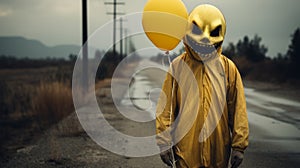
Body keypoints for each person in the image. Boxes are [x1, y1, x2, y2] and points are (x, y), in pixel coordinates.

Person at [156, 4, 249, 168]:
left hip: (218, 150)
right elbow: (166, 109)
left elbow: (238, 109)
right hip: (185, 151)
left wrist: (239, 146)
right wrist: (164, 143)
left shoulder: (228, 69)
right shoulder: (178, 67)